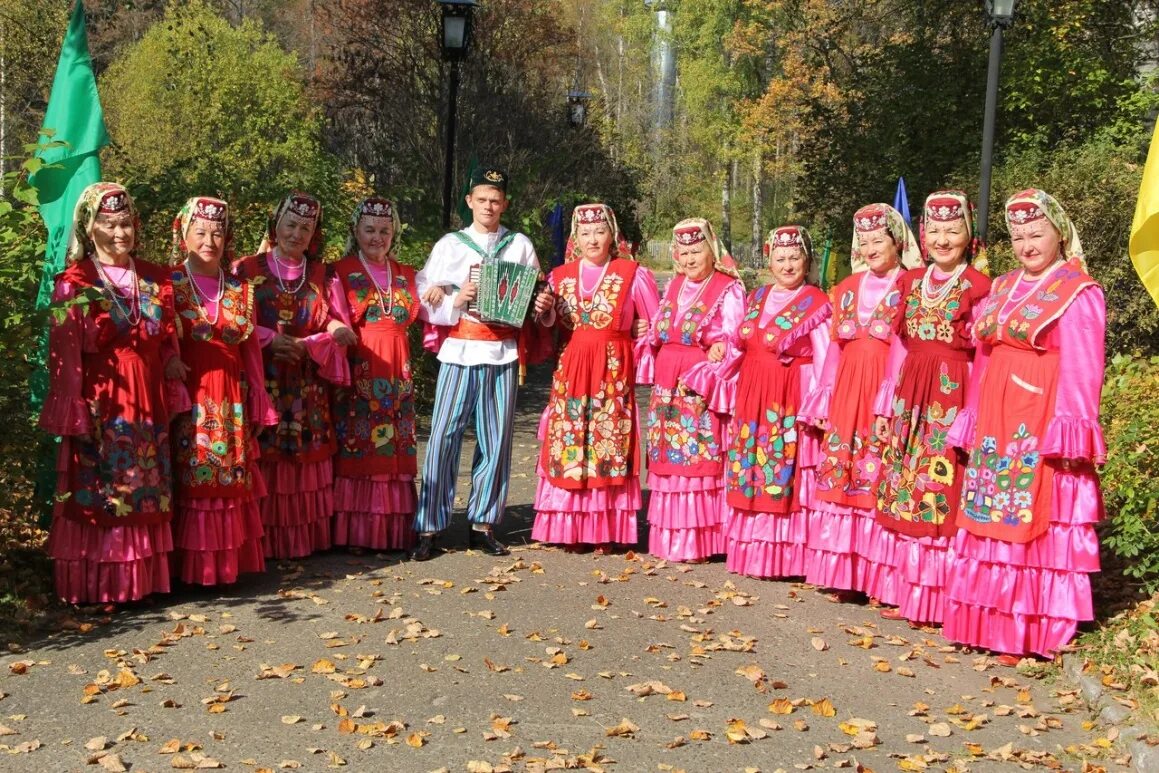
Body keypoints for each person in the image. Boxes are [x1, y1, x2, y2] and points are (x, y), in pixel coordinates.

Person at [943, 189, 1105, 662]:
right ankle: (986, 619)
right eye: (1018, 237)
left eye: (1037, 234)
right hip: (996, 409)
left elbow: (1083, 366)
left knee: (1032, 512)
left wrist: (1071, 427)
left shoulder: (1078, 290)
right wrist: (971, 416)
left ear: (1060, 233)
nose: (1027, 245)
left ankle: (1029, 627)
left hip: (1040, 413)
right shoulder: (1005, 285)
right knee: (991, 509)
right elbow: (986, 354)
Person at [40, 182, 184, 604]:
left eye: (126, 224)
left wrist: (173, 372)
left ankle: (142, 582)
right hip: (103, 397)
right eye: (109, 225)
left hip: (148, 395)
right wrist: (75, 406)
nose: (120, 233)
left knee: (144, 483)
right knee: (103, 489)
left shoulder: (156, 278)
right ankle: (103, 585)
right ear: (89, 228)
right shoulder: (75, 282)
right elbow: (63, 352)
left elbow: (169, 337)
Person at [411, 167, 554, 561]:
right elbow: (424, 294)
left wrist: (542, 306)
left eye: (496, 200)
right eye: (483, 199)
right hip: (460, 348)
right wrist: (455, 297)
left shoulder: (519, 245)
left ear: (504, 204)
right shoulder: (450, 245)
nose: (489, 206)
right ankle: (430, 526)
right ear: (470, 201)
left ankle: (483, 525)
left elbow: (537, 295)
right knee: (442, 436)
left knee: (496, 440)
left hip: (502, 352)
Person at [873, 192, 991, 625]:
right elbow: (899, 345)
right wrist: (888, 405)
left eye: (953, 230)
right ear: (923, 235)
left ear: (968, 235)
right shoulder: (909, 281)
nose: (943, 239)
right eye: (935, 231)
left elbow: (984, 356)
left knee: (941, 485)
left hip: (952, 394)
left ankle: (940, 596)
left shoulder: (980, 288)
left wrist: (972, 412)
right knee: (907, 481)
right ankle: (902, 589)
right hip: (911, 394)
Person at [800, 203, 921, 601]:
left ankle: (877, 576)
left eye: (878, 239)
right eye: (863, 240)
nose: (870, 248)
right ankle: (843, 573)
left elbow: (906, 347)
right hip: (848, 388)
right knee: (844, 473)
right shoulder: (848, 288)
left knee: (878, 474)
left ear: (897, 241)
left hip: (885, 389)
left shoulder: (911, 285)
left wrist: (890, 398)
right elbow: (834, 346)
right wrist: (825, 395)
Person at [531, 203, 659, 552]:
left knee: (607, 442)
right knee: (571, 438)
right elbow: (549, 329)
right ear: (575, 237)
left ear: (612, 235)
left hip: (612, 371)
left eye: (599, 231)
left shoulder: (633, 274)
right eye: (585, 233)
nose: (592, 239)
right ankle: (570, 528)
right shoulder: (559, 276)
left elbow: (658, 323)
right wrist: (542, 314)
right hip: (572, 367)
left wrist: (638, 332)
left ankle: (605, 528)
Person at [234, 193, 350, 560]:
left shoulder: (323, 275)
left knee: (303, 457)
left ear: (314, 233)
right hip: (263, 379)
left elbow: (339, 324)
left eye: (305, 227)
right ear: (275, 225)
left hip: (306, 381)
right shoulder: (245, 270)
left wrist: (313, 342)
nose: (296, 233)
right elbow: (230, 322)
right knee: (265, 456)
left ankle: (303, 543)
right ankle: (262, 542)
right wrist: (269, 339)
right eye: (290, 224)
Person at [169, 196, 276, 585]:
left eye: (217, 232)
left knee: (227, 477)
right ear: (184, 234)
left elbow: (250, 352)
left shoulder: (240, 288)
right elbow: (164, 344)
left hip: (231, 394)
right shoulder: (169, 284)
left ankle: (224, 568)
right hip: (191, 393)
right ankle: (191, 569)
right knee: (193, 474)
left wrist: (259, 400)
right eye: (200, 231)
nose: (209, 240)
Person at [723, 226, 831, 579]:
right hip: (753, 392)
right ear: (769, 261)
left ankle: (783, 557)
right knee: (750, 465)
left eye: (794, 258)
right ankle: (750, 552)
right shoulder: (756, 297)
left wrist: (818, 403)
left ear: (807, 260)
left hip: (787, 394)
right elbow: (739, 345)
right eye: (780, 258)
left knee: (780, 466)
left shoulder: (816, 302)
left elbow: (825, 356)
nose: (787, 265)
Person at [643, 218, 745, 562]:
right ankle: (670, 538)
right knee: (669, 460)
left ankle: (699, 542)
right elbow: (658, 332)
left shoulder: (727, 289)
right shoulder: (673, 286)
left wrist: (719, 348)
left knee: (698, 458)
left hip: (699, 383)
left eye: (696, 250)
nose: (689, 259)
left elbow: (737, 337)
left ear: (711, 249)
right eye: (683, 252)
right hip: (668, 382)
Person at [329, 197, 420, 551]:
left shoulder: (407, 274)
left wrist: (451, 295)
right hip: (362, 365)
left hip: (398, 369)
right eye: (369, 229)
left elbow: (434, 310)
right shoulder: (340, 271)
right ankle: (358, 533)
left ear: (393, 233)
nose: (377, 237)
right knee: (362, 441)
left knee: (393, 445)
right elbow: (329, 315)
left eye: (384, 230)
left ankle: (392, 530)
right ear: (356, 230)